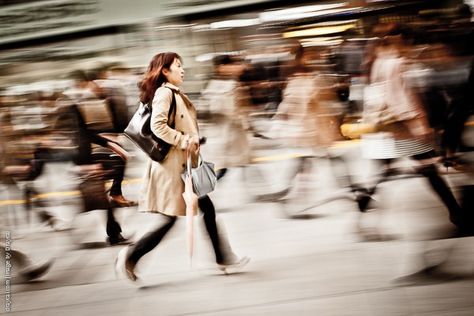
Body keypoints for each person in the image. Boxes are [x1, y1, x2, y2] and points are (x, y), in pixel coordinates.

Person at [115, 52, 249, 282]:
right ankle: (131, 255)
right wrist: (184, 140)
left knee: (204, 210)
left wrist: (192, 138)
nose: (182, 70)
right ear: (165, 71)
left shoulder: (172, 92)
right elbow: (157, 127)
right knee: (173, 217)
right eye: (178, 66)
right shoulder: (165, 93)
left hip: (184, 164)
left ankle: (222, 257)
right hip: (173, 167)